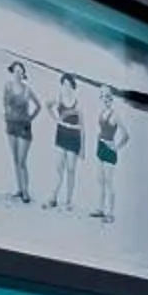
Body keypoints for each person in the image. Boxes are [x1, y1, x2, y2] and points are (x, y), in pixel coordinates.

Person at [1, 62, 39, 202]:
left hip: (24, 127)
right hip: (11, 126)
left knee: (22, 161)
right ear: (12, 72)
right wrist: (6, 116)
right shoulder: (7, 86)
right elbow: (5, 104)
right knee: (15, 160)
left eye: (20, 71)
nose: (18, 74)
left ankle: (26, 191)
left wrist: (30, 118)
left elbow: (38, 106)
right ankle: (19, 189)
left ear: (23, 74)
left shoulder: (27, 89)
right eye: (16, 71)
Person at [92, 89, 128, 222]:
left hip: (109, 149)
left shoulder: (115, 115)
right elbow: (102, 130)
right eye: (103, 99)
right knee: (100, 180)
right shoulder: (102, 112)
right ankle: (100, 209)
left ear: (112, 100)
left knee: (109, 182)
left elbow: (126, 135)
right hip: (100, 146)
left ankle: (110, 213)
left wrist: (116, 147)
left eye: (108, 99)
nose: (106, 101)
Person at [50, 75, 84, 210]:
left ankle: (69, 200)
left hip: (73, 138)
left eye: (69, 85)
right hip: (61, 136)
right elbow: (47, 105)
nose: (66, 87)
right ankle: (53, 197)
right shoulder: (59, 98)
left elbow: (83, 127)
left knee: (71, 170)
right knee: (59, 168)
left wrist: (82, 149)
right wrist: (55, 119)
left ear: (73, 86)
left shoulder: (78, 102)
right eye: (64, 84)